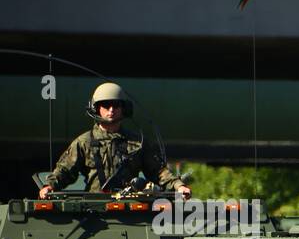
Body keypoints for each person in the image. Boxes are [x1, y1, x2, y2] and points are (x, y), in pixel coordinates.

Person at [39, 82, 191, 198]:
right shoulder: (84, 142)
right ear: (96, 108)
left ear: (123, 108)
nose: (111, 110)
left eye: (116, 105)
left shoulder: (138, 142)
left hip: (130, 207)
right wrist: (50, 186)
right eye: (105, 105)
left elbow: (158, 171)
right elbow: (65, 170)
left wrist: (179, 186)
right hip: (94, 207)